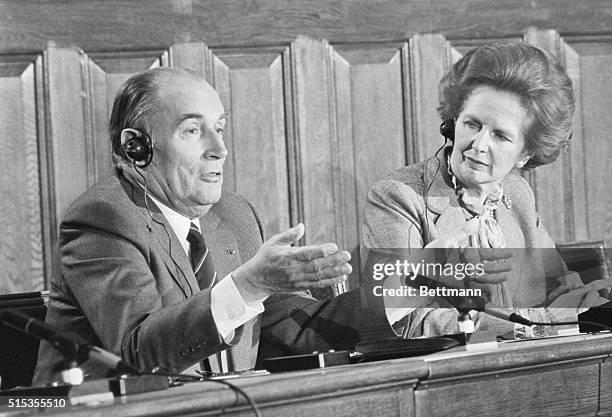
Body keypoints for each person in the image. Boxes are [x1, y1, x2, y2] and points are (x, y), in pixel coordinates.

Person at [33, 67, 395, 384]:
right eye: (193, 130)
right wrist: (249, 284)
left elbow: (298, 326)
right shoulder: (103, 218)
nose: (219, 149)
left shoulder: (232, 214)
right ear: (136, 147)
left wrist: (426, 279)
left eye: (219, 128)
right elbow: (137, 354)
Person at [361, 42, 610, 338]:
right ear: (452, 123)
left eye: (500, 135)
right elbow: (406, 324)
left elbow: (562, 289)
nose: (479, 145)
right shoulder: (397, 197)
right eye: (472, 124)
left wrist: (598, 312)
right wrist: (530, 328)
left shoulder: (517, 194)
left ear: (526, 153)